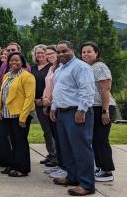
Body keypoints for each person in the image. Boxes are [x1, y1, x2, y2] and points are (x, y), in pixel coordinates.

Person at [50, 41, 96, 196]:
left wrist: (82, 110)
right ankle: (72, 177)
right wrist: (54, 107)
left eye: (64, 51)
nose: (61, 54)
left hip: (76, 112)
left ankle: (87, 184)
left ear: (72, 50)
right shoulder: (60, 69)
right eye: (59, 51)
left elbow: (87, 89)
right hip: (62, 113)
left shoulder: (81, 67)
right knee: (67, 148)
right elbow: (59, 90)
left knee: (81, 149)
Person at [0, 52, 35, 177]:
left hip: (19, 115)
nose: (14, 62)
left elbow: (30, 97)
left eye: (17, 60)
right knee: (7, 139)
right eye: (11, 60)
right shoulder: (7, 75)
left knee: (20, 142)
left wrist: (23, 117)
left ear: (22, 62)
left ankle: (22, 169)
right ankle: (12, 164)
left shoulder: (27, 76)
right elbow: (2, 94)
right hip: (6, 114)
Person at [81, 42, 116, 182]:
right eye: (83, 52)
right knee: (95, 139)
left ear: (96, 53)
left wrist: (105, 110)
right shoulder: (87, 67)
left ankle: (107, 172)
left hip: (103, 107)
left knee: (101, 140)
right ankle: (100, 167)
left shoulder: (100, 67)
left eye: (89, 51)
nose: (86, 54)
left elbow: (105, 90)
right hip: (93, 107)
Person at [31, 44, 56, 167]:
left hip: (48, 102)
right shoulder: (33, 68)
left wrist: (43, 99)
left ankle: (55, 156)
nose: (40, 55)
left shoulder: (51, 67)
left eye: (42, 52)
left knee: (52, 131)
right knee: (46, 131)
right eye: (37, 53)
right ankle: (51, 154)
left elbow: (51, 86)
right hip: (36, 103)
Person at [42, 45, 65, 178]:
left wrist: (49, 100)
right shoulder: (51, 68)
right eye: (47, 54)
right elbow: (48, 86)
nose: (49, 56)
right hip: (50, 104)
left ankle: (63, 166)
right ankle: (59, 164)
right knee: (56, 137)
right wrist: (45, 100)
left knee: (60, 138)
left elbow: (58, 88)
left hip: (56, 104)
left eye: (51, 53)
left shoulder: (60, 68)